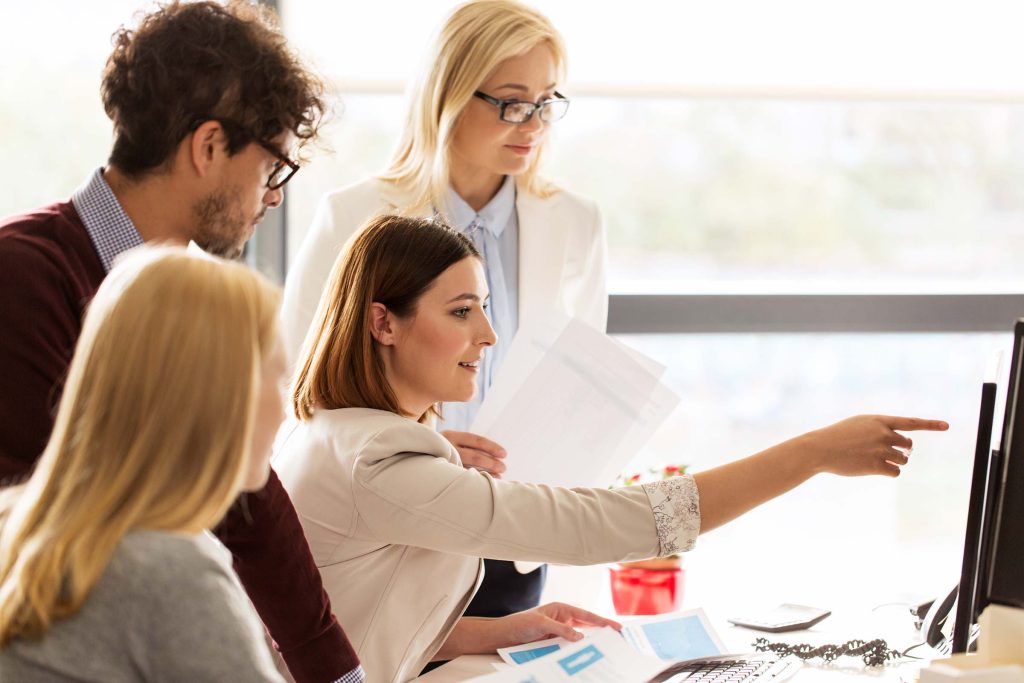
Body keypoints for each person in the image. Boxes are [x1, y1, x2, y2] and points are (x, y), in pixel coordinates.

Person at [275, 214, 949, 683]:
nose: (487, 333)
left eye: (482, 306)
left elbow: (354, 618)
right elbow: (602, 525)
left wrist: (505, 628)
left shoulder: (339, 433)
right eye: (459, 311)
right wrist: (810, 453)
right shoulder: (383, 462)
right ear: (382, 322)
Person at [0, 3, 362, 681]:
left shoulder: (185, 299)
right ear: (208, 147)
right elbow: (54, 510)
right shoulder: (21, 276)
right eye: (272, 168)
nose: (272, 198)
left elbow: (249, 501)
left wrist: (340, 673)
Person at [281, 0, 600, 620]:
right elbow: (299, 389)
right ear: (448, 95)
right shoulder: (355, 216)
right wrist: (418, 445)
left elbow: (582, 376)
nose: (532, 122)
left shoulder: (576, 223)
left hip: (515, 524)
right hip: (391, 522)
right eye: (511, 101)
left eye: (547, 101)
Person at [0, 247, 287, 681]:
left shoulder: (16, 524)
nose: (285, 412)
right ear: (220, 395)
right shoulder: (169, 573)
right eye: (278, 377)